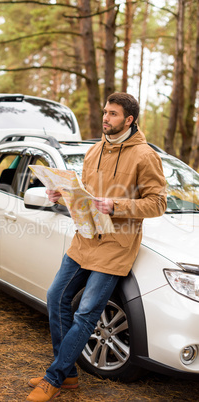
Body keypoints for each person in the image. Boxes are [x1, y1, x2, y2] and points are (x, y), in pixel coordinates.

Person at [26, 92, 167, 402]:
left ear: (129, 120)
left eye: (113, 114)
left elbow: (157, 204)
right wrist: (62, 195)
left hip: (116, 246)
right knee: (56, 298)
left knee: (87, 312)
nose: (106, 117)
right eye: (105, 112)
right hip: (85, 239)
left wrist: (115, 205)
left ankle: (54, 377)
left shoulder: (145, 156)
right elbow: (87, 195)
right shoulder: (93, 152)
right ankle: (69, 374)